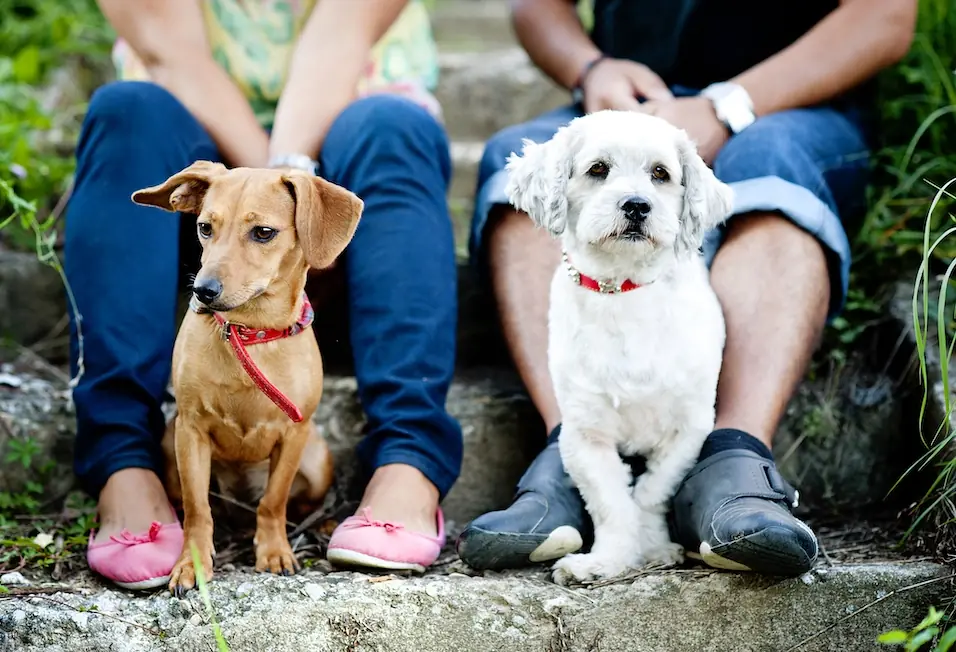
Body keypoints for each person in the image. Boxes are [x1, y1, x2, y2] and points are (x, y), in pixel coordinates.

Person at [457, 0, 917, 575]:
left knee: (770, 158)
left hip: (796, 95)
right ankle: (572, 453)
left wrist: (728, 105)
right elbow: (535, 8)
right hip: (629, 99)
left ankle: (734, 463)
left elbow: (884, 17)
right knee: (515, 155)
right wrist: (590, 67)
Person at [67, 0, 463, 589]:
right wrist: (256, 202)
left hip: (343, 145)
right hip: (206, 172)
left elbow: (342, 34)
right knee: (129, 111)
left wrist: (303, 216)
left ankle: (408, 460)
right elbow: (167, 48)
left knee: (391, 124)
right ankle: (126, 460)